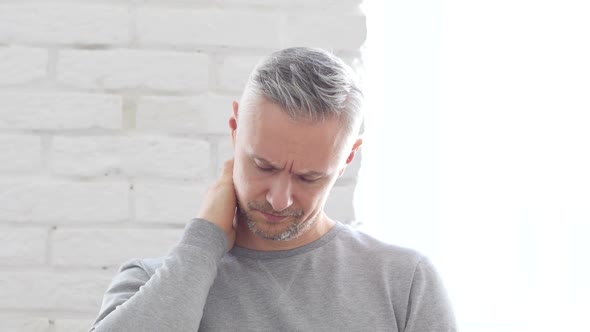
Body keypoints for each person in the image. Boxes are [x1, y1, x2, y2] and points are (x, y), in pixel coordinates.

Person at [89, 47, 456, 331]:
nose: (279, 199)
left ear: (347, 159)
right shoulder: (152, 283)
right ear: (235, 128)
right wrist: (203, 243)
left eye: (309, 178)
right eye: (264, 166)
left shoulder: (405, 284)